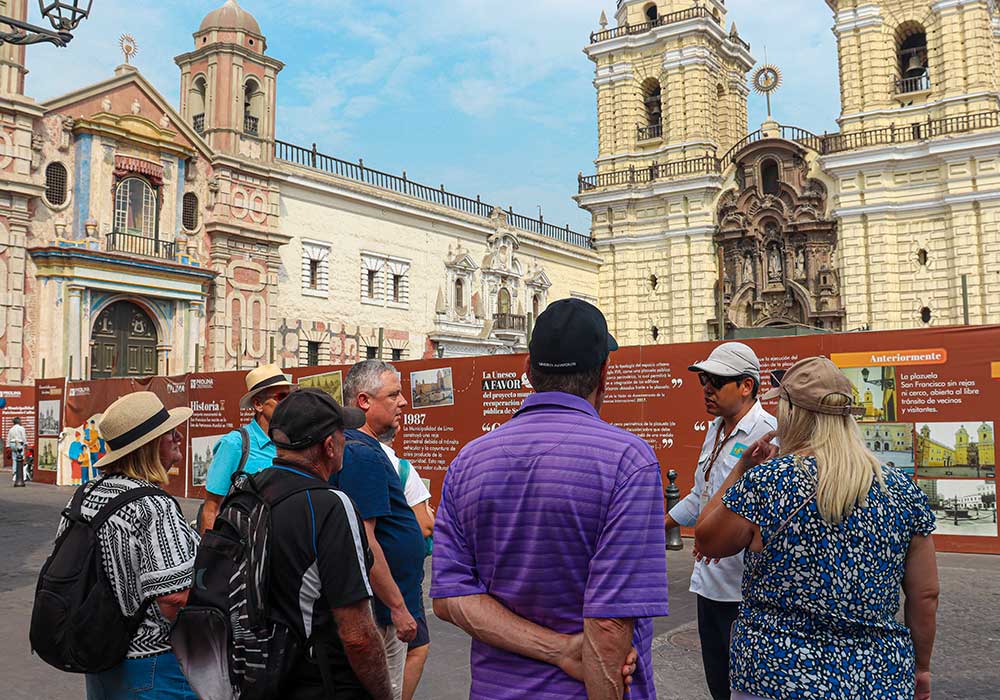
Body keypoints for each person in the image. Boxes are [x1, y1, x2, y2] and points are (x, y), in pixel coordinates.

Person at [432, 298, 668, 700]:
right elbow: (609, 623)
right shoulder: (627, 461)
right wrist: (565, 651)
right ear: (604, 374)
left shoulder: (468, 461)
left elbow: (451, 597)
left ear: (528, 371)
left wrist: (556, 650)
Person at [696, 357, 939, 700]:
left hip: (775, 673)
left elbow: (706, 540)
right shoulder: (900, 489)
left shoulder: (768, 482)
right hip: (875, 677)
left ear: (792, 413)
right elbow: (925, 595)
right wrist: (922, 668)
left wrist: (740, 471)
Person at [60, 392, 200, 700]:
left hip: (101, 653)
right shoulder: (153, 505)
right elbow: (173, 597)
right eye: (169, 434)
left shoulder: (85, 495)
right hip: (151, 663)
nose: (178, 437)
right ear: (150, 446)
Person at [260, 387, 394, 700]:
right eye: (343, 432)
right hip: (318, 681)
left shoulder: (248, 492)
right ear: (329, 446)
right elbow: (358, 635)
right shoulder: (331, 506)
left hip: (259, 674)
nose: (348, 439)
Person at [663, 342, 776, 700]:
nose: (707, 389)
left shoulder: (771, 433)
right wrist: (657, 525)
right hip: (709, 584)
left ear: (747, 386)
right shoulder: (715, 429)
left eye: (717, 381)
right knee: (719, 684)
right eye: (703, 381)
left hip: (747, 590)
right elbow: (701, 496)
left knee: (747, 687)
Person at [334, 360, 425, 700]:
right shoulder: (362, 454)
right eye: (394, 395)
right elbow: (365, 540)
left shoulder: (361, 450)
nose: (403, 402)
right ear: (363, 401)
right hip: (381, 614)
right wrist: (398, 608)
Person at [200, 364, 294, 532]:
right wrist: (211, 555)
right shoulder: (234, 444)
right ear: (258, 404)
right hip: (243, 548)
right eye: (281, 397)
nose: (288, 403)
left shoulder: (292, 443)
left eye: (290, 397)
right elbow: (212, 507)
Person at [378, 427, 434, 700]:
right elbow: (425, 525)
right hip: (399, 582)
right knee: (415, 648)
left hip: (370, 579)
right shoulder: (400, 468)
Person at [8, 416, 27, 482]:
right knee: (21, 458)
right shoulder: (21, 428)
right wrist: (25, 443)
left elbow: (9, 438)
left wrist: (8, 446)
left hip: (12, 443)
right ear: (19, 421)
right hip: (19, 443)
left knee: (14, 459)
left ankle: (14, 473)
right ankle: (20, 474)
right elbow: (23, 437)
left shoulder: (11, 429)